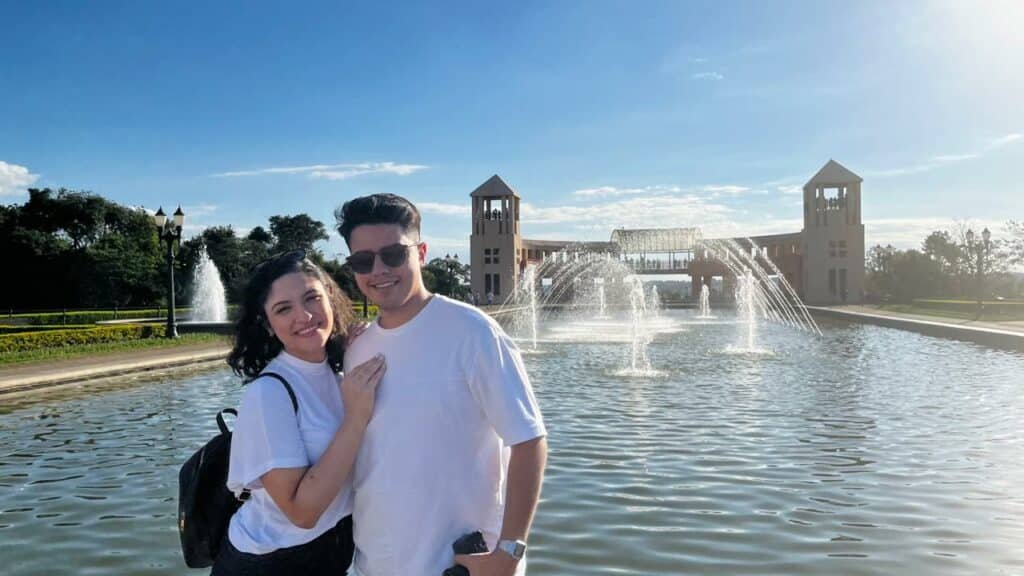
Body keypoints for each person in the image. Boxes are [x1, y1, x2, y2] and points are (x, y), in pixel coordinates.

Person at [335, 194, 547, 576]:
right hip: (374, 563)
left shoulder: (473, 333)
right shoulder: (358, 349)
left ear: (422, 252)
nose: (379, 269)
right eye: (363, 261)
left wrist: (509, 552)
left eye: (394, 255)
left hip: (459, 566)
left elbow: (529, 441)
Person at [216, 250, 385, 576]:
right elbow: (302, 512)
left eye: (312, 299)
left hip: (331, 552)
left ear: (330, 298)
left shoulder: (339, 377)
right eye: (284, 309)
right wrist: (355, 419)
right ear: (267, 323)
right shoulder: (269, 393)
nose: (304, 316)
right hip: (270, 562)